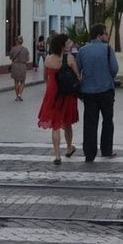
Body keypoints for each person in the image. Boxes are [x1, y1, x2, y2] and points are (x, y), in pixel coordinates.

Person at [76, 23, 119, 162]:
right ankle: (106, 150)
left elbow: (78, 70)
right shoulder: (107, 49)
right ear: (99, 35)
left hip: (88, 92)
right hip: (106, 90)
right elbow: (114, 69)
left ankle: (89, 153)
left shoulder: (82, 51)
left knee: (90, 122)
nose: (106, 36)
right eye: (105, 34)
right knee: (107, 120)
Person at [36, 33, 80, 164]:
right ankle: (69, 148)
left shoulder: (48, 59)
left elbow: (45, 78)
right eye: (68, 42)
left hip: (52, 94)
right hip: (67, 95)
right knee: (67, 123)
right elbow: (77, 77)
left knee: (55, 125)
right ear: (62, 46)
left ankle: (57, 156)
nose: (70, 44)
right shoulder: (70, 58)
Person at [9, 35, 29, 101]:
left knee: (16, 81)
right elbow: (27, 59)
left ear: (17, 41)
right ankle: (20, 94)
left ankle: (17, 96)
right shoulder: (25, 49)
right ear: (22, 41)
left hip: (15, 66)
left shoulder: (13, 49)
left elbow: (10, 58)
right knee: (23, 81)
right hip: (23, 66)